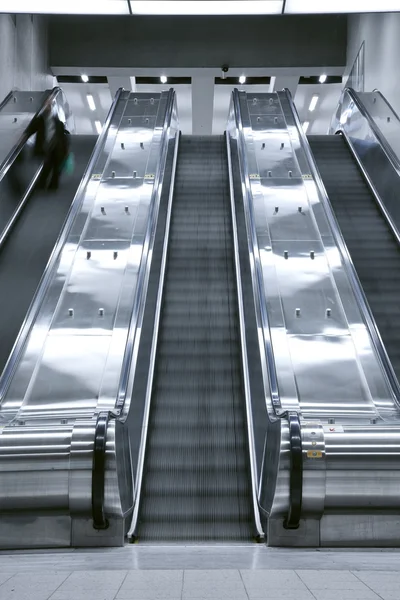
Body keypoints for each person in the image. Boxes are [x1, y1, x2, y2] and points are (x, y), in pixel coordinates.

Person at [26, 98, 70, 191]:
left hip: (57, 148)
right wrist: (23, 138)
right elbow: (30, 130)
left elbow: (63, 138)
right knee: (47, 166)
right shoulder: (40, 120)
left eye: (49, 105)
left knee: (56, 168)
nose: (48, 107)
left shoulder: (58, 122)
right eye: (46, 105)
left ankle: (53, 186)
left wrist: (65, 151)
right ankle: (42, 185)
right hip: (46, 148)